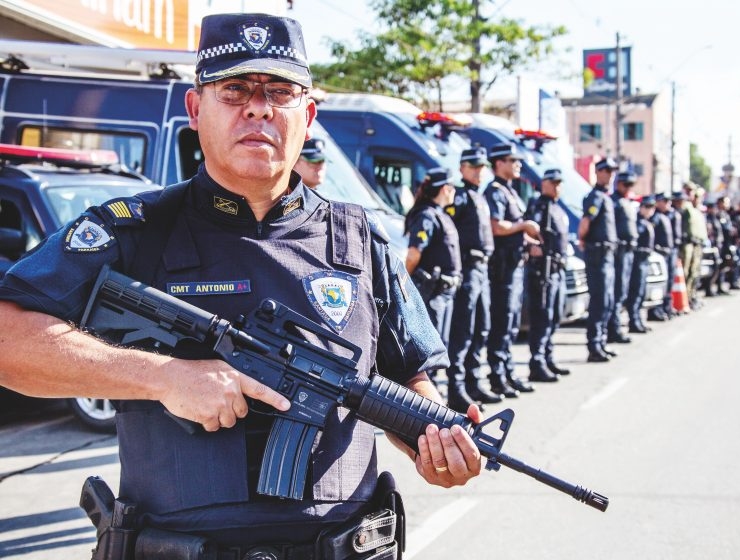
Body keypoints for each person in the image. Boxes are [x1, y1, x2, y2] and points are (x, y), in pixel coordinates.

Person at [0, 13, 482, 557]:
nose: (258, 107)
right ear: (194, 108)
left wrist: (435, 444)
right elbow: (8, 340)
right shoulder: (134, 231)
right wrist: (163, 377)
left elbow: (407, 377)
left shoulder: (360, 241)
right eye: (234, 89)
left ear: (308, 114)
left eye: (279, 91)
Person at [444, 147, 502, 409]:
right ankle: (456, 389)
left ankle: (473, 382)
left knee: (482, 327)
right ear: (462, 168)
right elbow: (450, 233)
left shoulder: (479, 197)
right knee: (463, 331)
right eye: (473, 167)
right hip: (467, 268)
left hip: (482, 269)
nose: (479, 171)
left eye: (482, 167)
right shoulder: (460, 198)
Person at [484, 142, 540, 396]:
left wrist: (529, 241)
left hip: (516, 265)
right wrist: (524, 226)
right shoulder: (494, 191)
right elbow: (496, 227)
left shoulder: (510, 191)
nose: (518, 164)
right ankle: (497, 376)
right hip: (503, 269)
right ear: (499, 163)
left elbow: (512, 229)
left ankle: (508, 372)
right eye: (512, 160)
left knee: (512, 323)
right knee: (502, 322)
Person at [404, 168, 463, 402]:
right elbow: (413, 254)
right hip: (433, 292)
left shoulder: (440, 214)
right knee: (431, 349)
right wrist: (403, 284)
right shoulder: (427, 215)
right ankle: (429, 402)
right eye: (451, 187)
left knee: (443, 345)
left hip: (446, 292)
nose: (454, 192)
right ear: (444, 189)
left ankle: (439, 396)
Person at [524, 168, 571, 381]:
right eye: (554, 183)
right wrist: (535, 249)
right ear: (545, 184)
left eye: (560, 183)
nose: (558, 187)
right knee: (542, 318)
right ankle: (538, 362)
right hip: (543, 271)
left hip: (557, 270)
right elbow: (531, 235)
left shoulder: (557, 207)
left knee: (554, 317)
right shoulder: (539, 206)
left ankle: (548, 358)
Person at [577, 157, 619, 363]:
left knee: (608, 301)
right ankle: (594, 345)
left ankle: (601, 342)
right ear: (598, 172)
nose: (610, 175)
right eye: (607, 171)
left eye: (612, 172)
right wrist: (583, 240)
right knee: (599, 301)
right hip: (598, 255)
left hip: (607, 256)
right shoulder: (595, 196)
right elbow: (585, 222)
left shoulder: (605, 197)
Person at [606, 170, 638, 344]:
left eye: (631, 185)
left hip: (628, 251)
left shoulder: (627, 203)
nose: (628, 188)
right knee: (616, 293)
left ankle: (616, 327)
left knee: (622, 291)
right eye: (626, 184)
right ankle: (613, 329)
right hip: (618, 252)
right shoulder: (614, 202)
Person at [625, 195, 656, 332]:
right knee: (636, 292)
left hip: (644, 261)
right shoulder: (638, 223)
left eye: (652, 207)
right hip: (638, 261)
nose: (650, 210)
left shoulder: (645, 222)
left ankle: (638, 320)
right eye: (647, 207)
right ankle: (634, 321)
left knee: (641, 292)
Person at [647, 193, 674, 321]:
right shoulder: (655, 217)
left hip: (667, 253)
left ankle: (664, 308)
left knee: (667, 283)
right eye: (664, 201)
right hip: (660, 254)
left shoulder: (664, 215)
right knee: (658, 283)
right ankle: (655, 311)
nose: (667, 204)